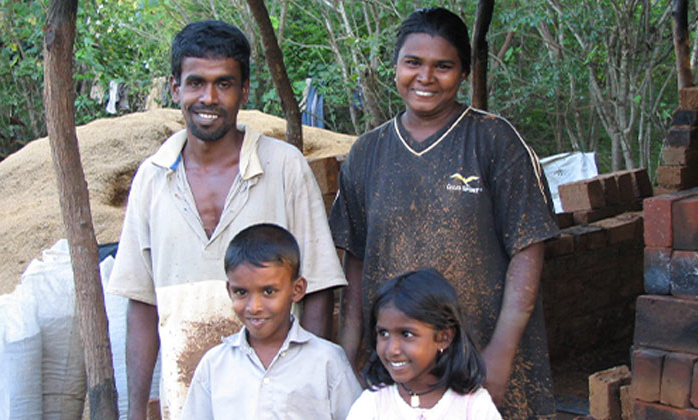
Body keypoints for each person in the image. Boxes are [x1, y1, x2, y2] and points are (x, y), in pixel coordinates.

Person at [106, 20, 346, 420]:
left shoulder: (284, 167)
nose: (209, 97)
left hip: (278, 406)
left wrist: (306, 392)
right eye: (196, 82)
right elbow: (142, 303)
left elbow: (318, 288)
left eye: (224, 83)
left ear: (245, 90)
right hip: (186, 402)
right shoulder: (152, 176)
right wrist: (135, 412)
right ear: (174, 88)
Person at [329, 7, 560, 419]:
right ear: (395, 66)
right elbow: (356, 263)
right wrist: (349, 357)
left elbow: (529, 247)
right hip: (399, 366)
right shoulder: (367, 153)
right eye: (413, 62)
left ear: (464, 73)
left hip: (482, 351)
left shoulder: (494, 140)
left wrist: (502, 351)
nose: (426, 77)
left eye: (444, 66)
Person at [181, 224, 362, 420]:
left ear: (297, 289)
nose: (254, 307)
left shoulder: (327, 361)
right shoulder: (214, 365)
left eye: (268, 291)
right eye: (241, 292)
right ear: (229, 290)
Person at [346, 269, 502, 419]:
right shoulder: (372, 404)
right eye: (383, 333)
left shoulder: (473, 405)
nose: (392, 349)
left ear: (443, 338)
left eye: (407, 334)